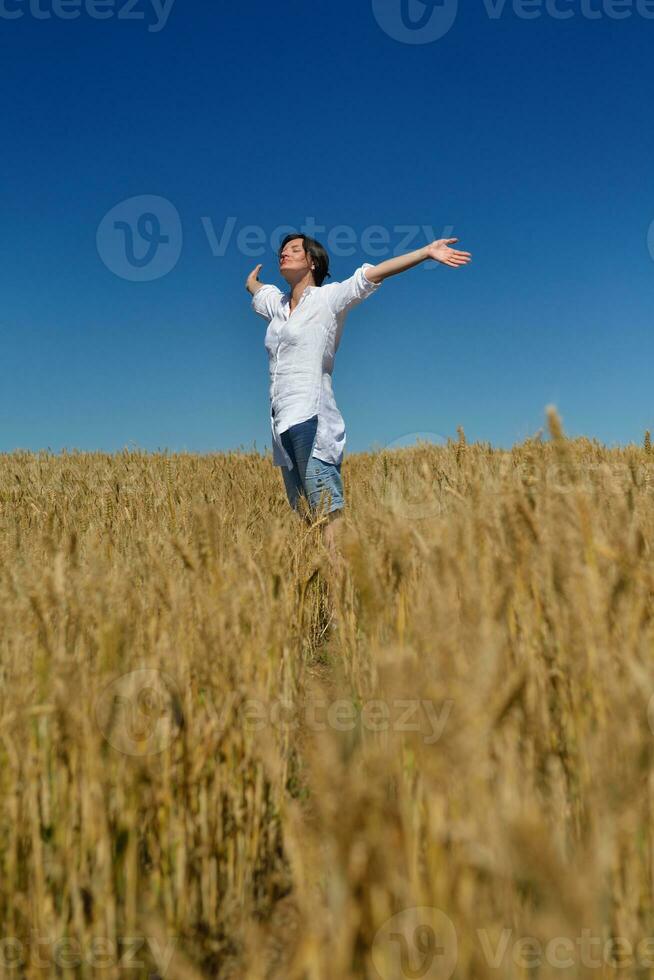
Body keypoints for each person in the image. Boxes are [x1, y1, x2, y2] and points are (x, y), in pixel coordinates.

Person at [245, 232, 472, 587]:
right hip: (280, 425)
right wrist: (252, 280)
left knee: (327, 516)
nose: (283, 255)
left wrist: (426, 252)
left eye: (293, 250)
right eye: (281, 252)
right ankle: (323, 603)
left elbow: (373, 275)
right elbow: (257, 290)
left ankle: (347, 600)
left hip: (311, 418)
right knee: (305, 518)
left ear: (313, 262)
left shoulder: (327, 299)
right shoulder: (277, 306)